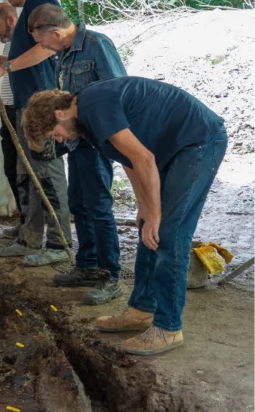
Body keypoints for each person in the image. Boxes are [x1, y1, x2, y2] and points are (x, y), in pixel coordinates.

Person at [22, 77, 227, 355]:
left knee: (169, 233)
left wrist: (155, 213)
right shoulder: (86, 120)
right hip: (171, 150)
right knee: (148, 228)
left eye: (55, 133)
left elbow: (144, 159)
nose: (60, 140)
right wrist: (145, 207)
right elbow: (130, 160)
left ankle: (169, 328)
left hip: (198, 141)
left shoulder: (94, 106)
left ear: (59, 114)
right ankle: (141, 310)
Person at [24, 3, 127, 305]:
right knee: (79, 204)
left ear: (54, 33)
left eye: (42, 41)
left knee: (98, 207)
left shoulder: (97, 45)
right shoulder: (62, 56)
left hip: (97, 143)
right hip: (76, 144)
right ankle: (87, 266)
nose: (42, 47)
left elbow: (118, 92)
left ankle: (110, 275)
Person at [0, 0, 71, 267]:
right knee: (28, 174)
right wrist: (4, 59)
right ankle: (31, 234)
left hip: (41, 104)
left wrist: (4, 67)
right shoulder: (30, 8)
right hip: (29, 105)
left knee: (48, 176)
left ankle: (58, 242)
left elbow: (50, 47)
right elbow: (32, 55)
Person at [0, 2, 22, 235]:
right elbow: (13, 67)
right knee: (10, 169)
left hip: (21, 111)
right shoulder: (11, 44)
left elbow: (22, 68)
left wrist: (1, 64)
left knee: (25, 172)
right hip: (8, 111)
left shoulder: (24, 40)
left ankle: (34, 227)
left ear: (10, 20)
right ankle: (25, 221)